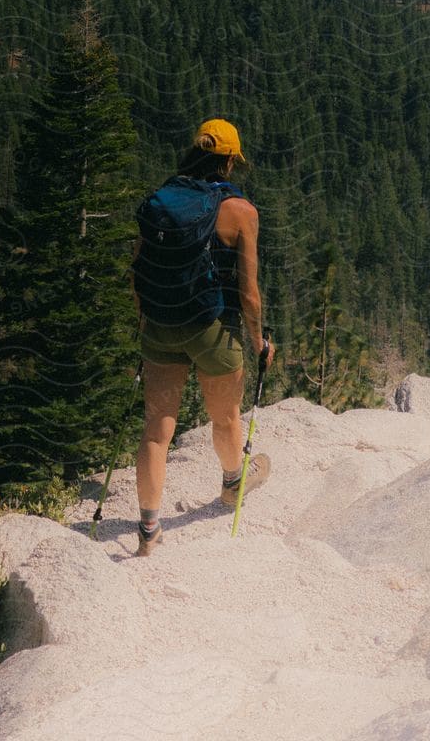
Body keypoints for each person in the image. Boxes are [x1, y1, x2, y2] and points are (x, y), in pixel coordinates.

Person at [128, 118, 273, 556]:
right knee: (225, 418)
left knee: (156, 431)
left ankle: (149, 530)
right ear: (229, 160)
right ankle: (233, 484)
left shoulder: (161, 202)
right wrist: (259, 340)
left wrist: (145, 321)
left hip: (161, 324)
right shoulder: (241, 213)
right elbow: (248, 293)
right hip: (212, 328)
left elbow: (138, 270)